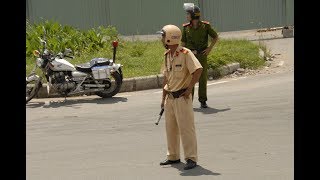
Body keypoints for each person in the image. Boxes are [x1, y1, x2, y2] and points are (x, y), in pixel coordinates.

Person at [156, 24, 203, 170]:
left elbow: (198, 70)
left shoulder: (185, 53)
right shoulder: (167, 56)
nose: (162, 39)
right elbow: (166, 77)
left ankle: (191, 158)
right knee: (171, 129)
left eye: (163, 36)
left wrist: (189, 89)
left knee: (186, 129)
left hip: (182, 97)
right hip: (170, 97)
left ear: (170, 38)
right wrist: (163, 98)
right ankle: (173, 156)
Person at [181, 3, 219, 108]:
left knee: (202, 78)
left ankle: (203, 100)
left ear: (193, 15)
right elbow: (183, 43)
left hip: (202, 55)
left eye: (188, 14)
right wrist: (181, 55)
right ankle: (189, 100)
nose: (186, 16)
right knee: (190, 78)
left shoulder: (205, 26)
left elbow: (215, 37)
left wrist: (209, 49)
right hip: (190, 56)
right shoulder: (185, 28)